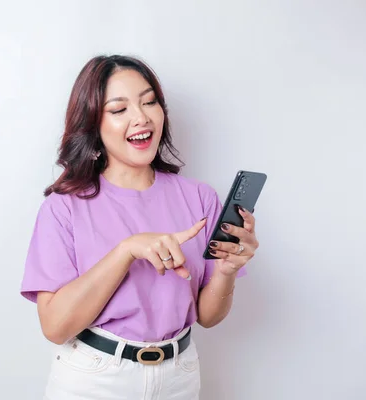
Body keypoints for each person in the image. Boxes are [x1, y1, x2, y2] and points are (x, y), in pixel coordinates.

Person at [20, 54, 259, 399]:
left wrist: (226, 271)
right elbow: (55, 327)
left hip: (179, 375)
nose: (141, 117)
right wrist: (126, 251)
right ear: (93, 124)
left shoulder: (199, 198)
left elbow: (208, 316)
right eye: (119, 110)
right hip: (95, 379)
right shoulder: (64, 208)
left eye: (149, 102)